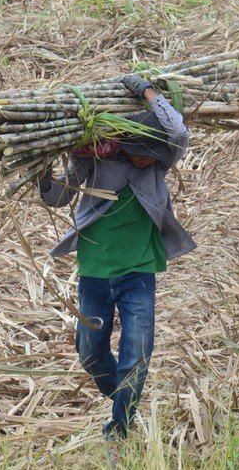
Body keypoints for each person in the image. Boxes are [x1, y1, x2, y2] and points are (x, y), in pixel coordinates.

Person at [38, 74, 196, 441]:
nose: (149, 160)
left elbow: (179, 133)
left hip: (139, 272)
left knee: (138, 352)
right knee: (91, 353)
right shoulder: (95, 159)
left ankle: (120, 424)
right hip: (94, 269)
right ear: (123, 142)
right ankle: (122, 396)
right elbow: (57, 198)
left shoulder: (158, 163)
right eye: (143, 151)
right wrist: (42, 173)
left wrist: (147, 92)